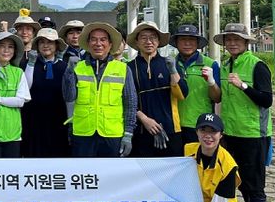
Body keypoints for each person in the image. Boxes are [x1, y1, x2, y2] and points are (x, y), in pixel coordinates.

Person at [214, 22, 273, 202]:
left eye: (237, 39)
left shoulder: (257, 65)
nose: (232, 43)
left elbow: (266, 99)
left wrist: (244, 86)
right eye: (228, 39)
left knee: (254, 184)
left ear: (246, 42)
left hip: (253, 133)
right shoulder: (225, 65)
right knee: (241, 182)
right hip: (231, 133)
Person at [63, 23, 137, 157]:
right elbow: (69, 97)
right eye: (94, 39)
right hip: (83, 133)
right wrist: (69, 72)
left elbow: (130, 103)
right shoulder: (76, 67)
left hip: (113, 134)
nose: (98, 43)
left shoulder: (123, 69)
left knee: (111, 171)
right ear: (88, 43)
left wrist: (128, 134)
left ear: (110, 44)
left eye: (103, 40)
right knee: (84, 170)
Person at [127, 21, 188, 157]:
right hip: (141, 130)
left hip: (170, 129)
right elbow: (125, 100)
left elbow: (182, 94)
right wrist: (144, 119)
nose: (148, 41)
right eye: (143, 38)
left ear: (159, 41)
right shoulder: (129, 68)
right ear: (137, 42)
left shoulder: (169, 64)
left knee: (172, 168)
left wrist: (173, 71)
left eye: (153, 37)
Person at [21, 28, 70, 157]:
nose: (46, 45)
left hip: (58, 120)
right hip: (32, 121)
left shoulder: (64, 67)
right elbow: (26, 88)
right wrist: (31, 64)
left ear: (56, 45)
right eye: (42, 42)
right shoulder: (27, 64)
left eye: (50, 42)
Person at [171, 24, 221, 145]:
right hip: (174, 125)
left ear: (198, 43)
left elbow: (217, 98)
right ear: (176, 42)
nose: (187, 43)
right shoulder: (170, 64)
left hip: (201, 126)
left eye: (192, 40)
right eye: (183, 39)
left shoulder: (210, 64)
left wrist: (211, 82)